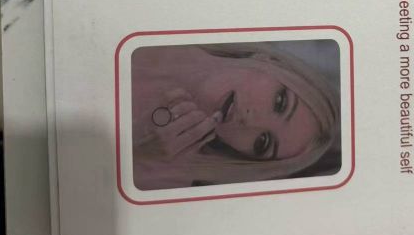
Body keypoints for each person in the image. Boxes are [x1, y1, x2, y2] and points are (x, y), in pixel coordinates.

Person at [131, 42, 340, 189]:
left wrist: (139, 153)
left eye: (263, 142)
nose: (251, 122)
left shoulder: (164, 175)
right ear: (270, 63)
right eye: (279, 102)